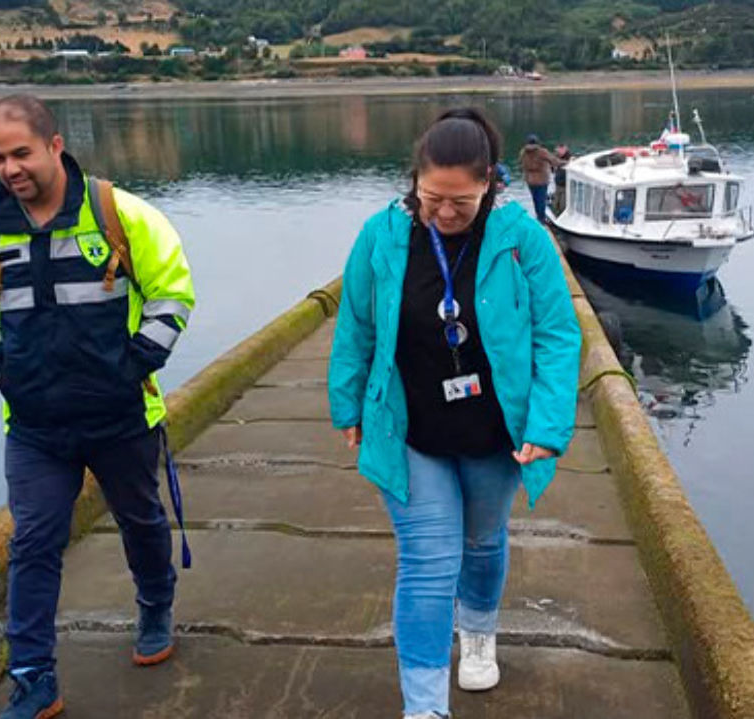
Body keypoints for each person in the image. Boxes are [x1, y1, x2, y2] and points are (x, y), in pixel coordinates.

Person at [0, 94, 195, 719]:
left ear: (55, 146)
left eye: (21, 153)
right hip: (35, 427)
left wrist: (134, 365)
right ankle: (34, 678)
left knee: (140, 521)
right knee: (32, 542)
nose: (9, 169)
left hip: (121, 418)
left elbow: (174, 290)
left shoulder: (119, 214)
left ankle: (155, 604)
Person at [328, 108, 581, 719]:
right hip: (410, 430)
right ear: (414, 181)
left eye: (460, 203)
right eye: (430, 198)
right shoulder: (380, 236)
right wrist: (347, 401)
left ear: (491, 184)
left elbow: (557, 334)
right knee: (428, 560)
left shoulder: (524, 240)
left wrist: (548, 427)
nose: (443, 214)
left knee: (483, 539)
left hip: (496, 434)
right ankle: (424, 708)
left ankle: (479, 632)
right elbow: (355, 324)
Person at [517, 133, 562, 221]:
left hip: (530, 180)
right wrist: (567, 162)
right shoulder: (541, 152)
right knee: (541, 200)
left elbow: (520, 165)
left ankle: (538, 216)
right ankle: (541, 220)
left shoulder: (523, 152)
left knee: (535, 200)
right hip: (541, 180)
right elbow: (554, 161)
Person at [553, 143, 572, 214]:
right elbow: (552, 167)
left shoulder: (570, 158)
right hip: (558, 183)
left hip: (565, 184)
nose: (558, 153)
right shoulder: (556, 157)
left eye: (560, 151)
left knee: (563, 204)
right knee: (556, 202)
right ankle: (555, 212)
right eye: (558, 151)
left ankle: (561, 213)